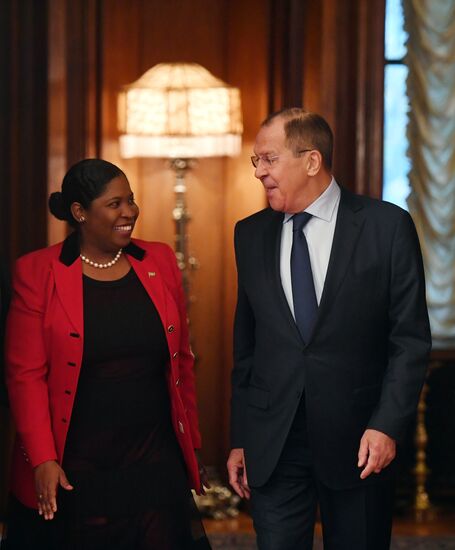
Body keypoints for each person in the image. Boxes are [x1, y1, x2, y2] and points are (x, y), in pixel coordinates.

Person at [227, 108, 431, 550]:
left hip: (359, 440)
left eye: (269, 159)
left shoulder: (386, 227)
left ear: (312, 161)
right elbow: (247, 346)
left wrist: (387, 425)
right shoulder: (249, 234)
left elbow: (409, 341)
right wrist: (241, 438)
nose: (259, 171)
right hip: (274, 442)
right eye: (255, 161)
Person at [4, 159, 211, 550]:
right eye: (115, 204)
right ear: (80, 213)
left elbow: (181, 360)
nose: (129, 212)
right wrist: (42, 459)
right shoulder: (37, 272)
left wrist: (191, 444)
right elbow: (25, 376)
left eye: (131, 201)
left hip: (153, 457)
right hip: (79, 463)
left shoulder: (159, 260)